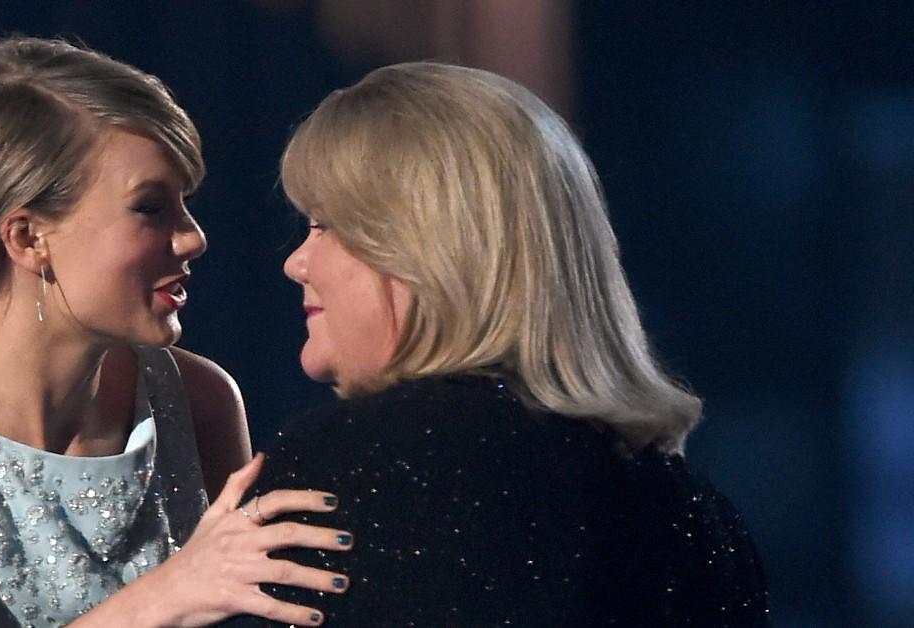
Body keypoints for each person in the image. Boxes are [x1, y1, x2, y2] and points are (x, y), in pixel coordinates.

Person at [0, 37, 353, 628]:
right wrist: (164, 598)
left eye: (186, 203)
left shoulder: (200, 399)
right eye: (152, 208)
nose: (194, 237)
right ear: (26, 237)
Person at [222, 62, 770, 626]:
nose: (297, 262)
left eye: (327, 224)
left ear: (428, 249)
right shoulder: (701, 518)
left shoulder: (348, 469)